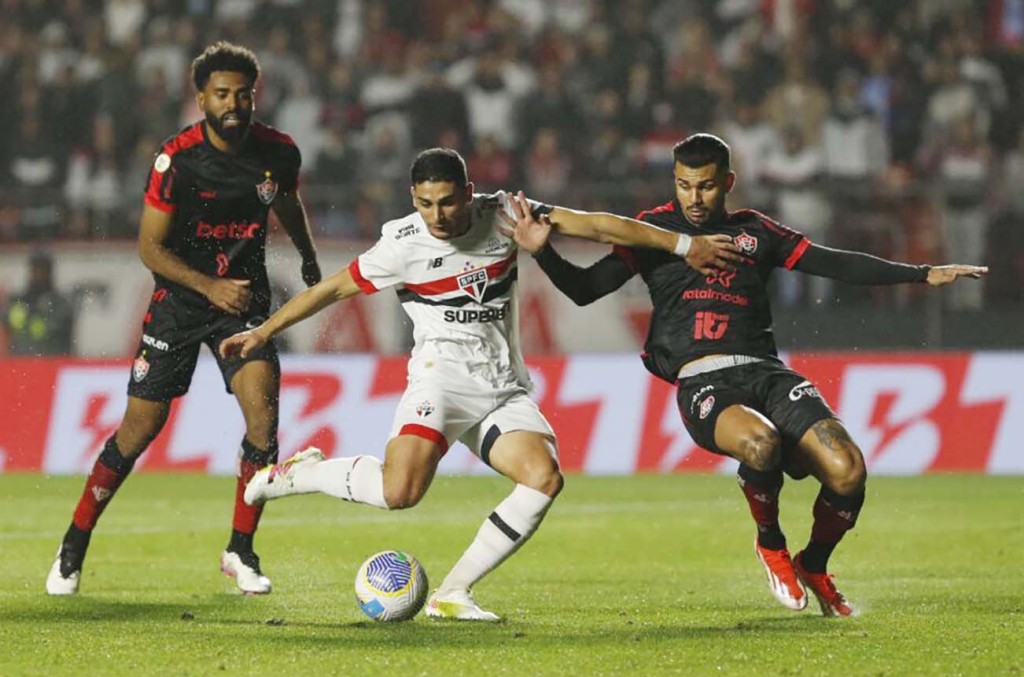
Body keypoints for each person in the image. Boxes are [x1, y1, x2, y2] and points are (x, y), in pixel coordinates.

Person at [218, 147, 741, 620]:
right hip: (439, 383)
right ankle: (297, 475)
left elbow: (600, 227)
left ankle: (453, 593)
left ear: (469, 193)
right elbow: (332, 290)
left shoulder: (504, 215)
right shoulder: (402, 243)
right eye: (426, 203)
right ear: (413, 199)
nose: (438, 215)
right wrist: (263, 330)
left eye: (447, 202)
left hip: (501, 387)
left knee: (543, 477)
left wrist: (681, 244)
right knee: (399, 493)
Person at [507, 133, 986, 617]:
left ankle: (814, 564)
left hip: (768, 373)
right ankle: (771, 543)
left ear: (728, 183)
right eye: (684, 185)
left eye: (707, 187)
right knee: (761, 444)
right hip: (704, 383)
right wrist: (543, 252)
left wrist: (922, 273)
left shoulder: (756, 232)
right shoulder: (655, 232)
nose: (694, 199)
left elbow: (832, 263)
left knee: (848, 470)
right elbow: (587, 289)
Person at [45, 42, 322, 596]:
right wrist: (208, 286)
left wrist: (309, 256)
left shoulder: (278, 152)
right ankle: (74, 543)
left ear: (254, 95)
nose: (233, 104)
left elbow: (286, 200)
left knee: (263, 421)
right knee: (139, 429)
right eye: (222, 94)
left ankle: (240, 552)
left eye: (243, 94)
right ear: (201, 98)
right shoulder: (177, 160)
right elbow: (150, 248)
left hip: (241, 305)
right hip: (179, 305)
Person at [2, 251, 75, 356]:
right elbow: (6, 325)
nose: (38, 275)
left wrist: (29, 318)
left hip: (51, 365)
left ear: (50, 273)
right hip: (18, 366)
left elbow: (47, 331)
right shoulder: (17, 301)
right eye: (35, 270)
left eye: (43, 271)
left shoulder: (60, 304)